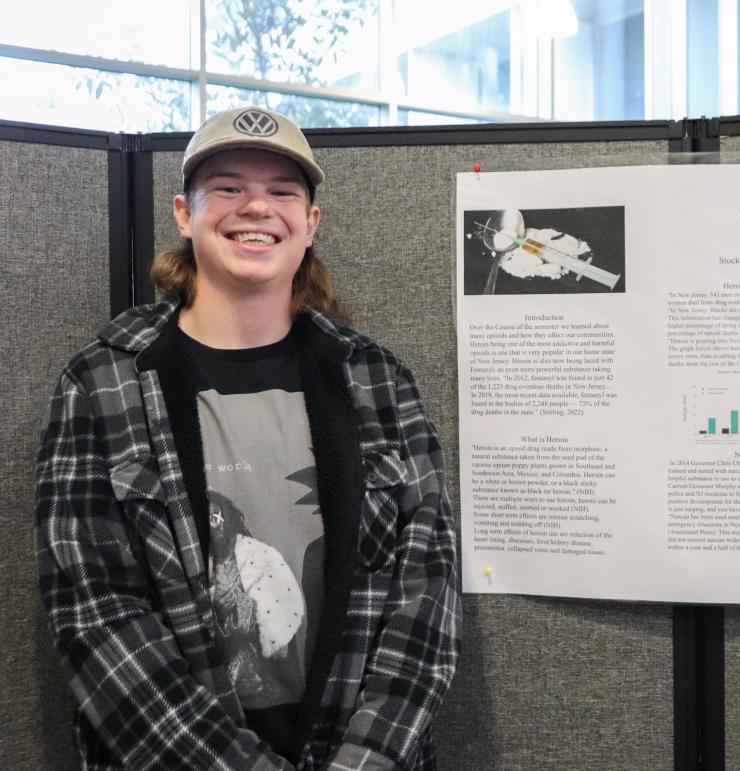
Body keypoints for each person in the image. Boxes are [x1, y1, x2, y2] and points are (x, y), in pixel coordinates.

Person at [36, 106, 461, 771]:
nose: (256, 206)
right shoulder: (103, 383)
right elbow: (96, 615)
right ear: (184, 212)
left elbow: (425, 599)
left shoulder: (377, 382)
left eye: (282, 191)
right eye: (228, 187)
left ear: (310, 223)